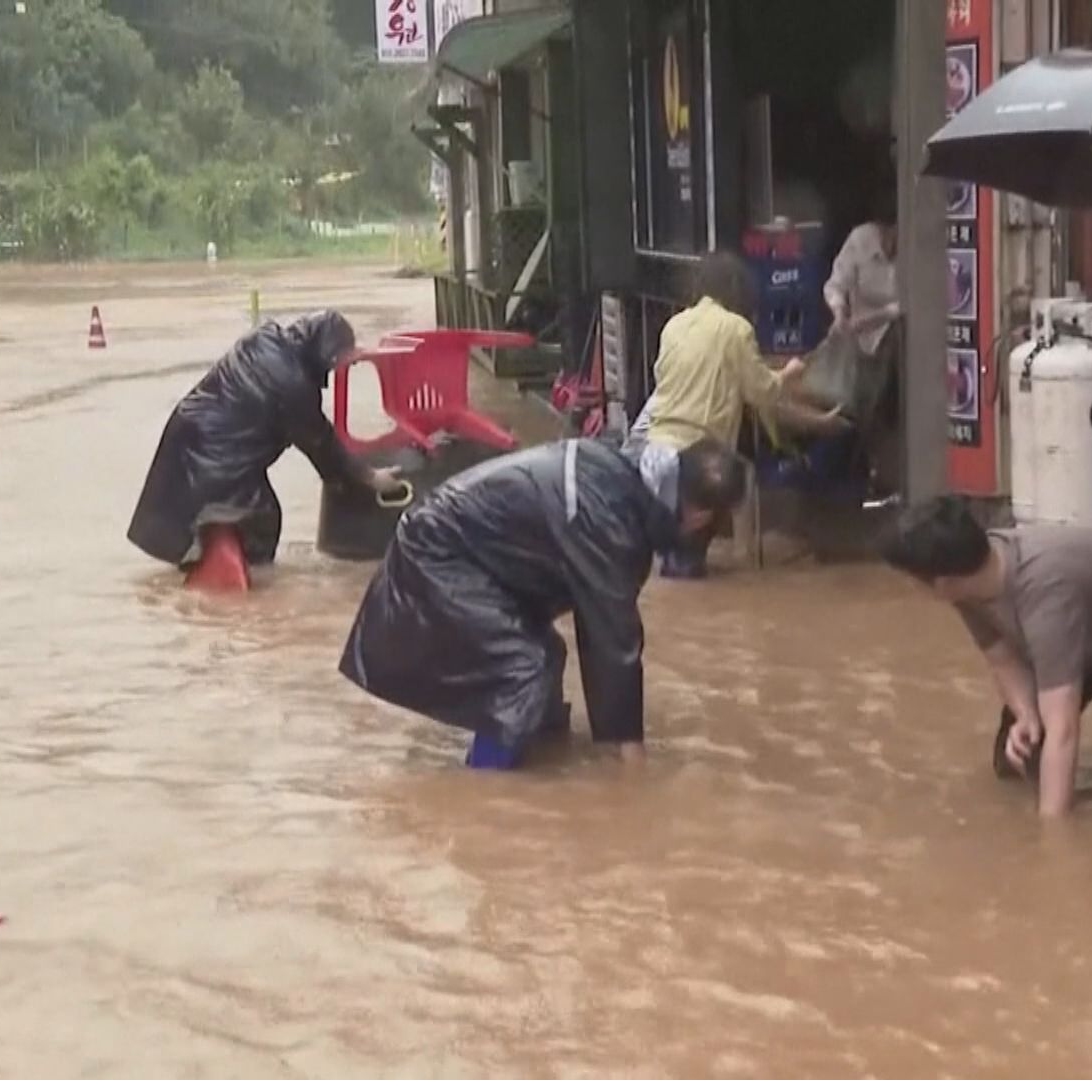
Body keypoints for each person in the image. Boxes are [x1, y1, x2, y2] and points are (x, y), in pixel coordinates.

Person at [337, 437, 749, 771]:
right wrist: (631, 760)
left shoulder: (624, 480)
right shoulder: (610, 518)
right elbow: (614, 639)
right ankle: (481, 791)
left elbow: (600, 629)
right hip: (438, 555)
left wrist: (615, 740)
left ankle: (539, 759)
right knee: (522, 668)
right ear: (699, 516)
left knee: (547, 653)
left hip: (464, 552)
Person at [880, 496, 1092, 818]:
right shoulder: (971, 584)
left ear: (943, 584)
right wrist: (1026, 713)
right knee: (1020, 756)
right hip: (1091, 633)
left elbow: (1064, 729)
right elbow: (1001, 657)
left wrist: (1053, 841)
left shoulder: (1046, 595)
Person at [127, 310, 405, 591]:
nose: (334, 369)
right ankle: (250, 593)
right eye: (334, 361)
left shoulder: (264, 339)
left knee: (202, 514)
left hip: (188, 431)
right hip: (217, 453)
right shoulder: (292, 384)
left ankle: (196, 573)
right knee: (259, 516)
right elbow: (320, 444)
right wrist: (369, 478)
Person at [629, 250, 845, 578]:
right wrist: (789, 373)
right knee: (692, 568)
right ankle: (743, 567)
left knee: (674, 568)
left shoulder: (674, 324)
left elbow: (666, 379)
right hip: (696, 464)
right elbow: (764, 392)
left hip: (654, 454)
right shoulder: (736, 329)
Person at [822, 199, 902, 495]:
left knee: (888, 402)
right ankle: (869, 471)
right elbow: (835, 285)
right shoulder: (860, 240)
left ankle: (888, 473)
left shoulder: (917, 248)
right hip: (863, 343)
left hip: (897, 338)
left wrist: (867, 320)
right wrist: (839, 313)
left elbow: (903, 307)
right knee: (865, 407)